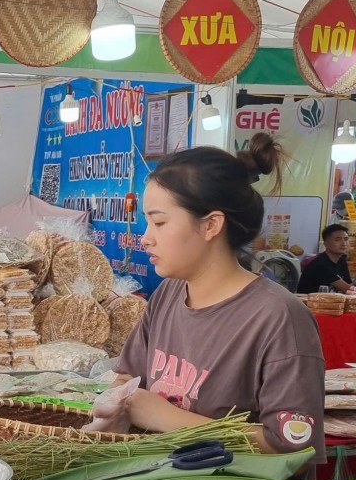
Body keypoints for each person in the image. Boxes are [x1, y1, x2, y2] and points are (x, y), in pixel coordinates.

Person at [113, 133, 326, 461]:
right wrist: (114, 404)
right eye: (147, 222)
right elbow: (128, 378)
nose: (145, 238)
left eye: (159, 222)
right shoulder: (169, 294)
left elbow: (294, 449)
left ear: (211, 225)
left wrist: (168, 419)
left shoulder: (279, 318)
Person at [297, 224, 353, 294]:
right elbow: (347, 289)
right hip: (310, 303)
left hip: (330, 301)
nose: (344, 243)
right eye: (337, 240)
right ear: (326, 244)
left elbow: (350, 286)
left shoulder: (341, 261)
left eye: (346, 239)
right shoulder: (319, 264)